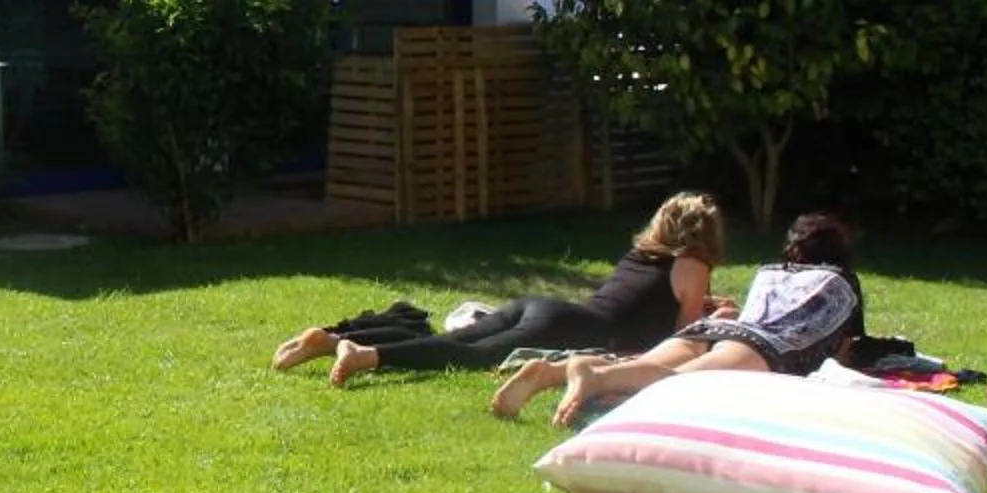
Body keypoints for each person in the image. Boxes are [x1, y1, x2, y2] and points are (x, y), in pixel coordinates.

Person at [270, 192, 729, 383]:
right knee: (470, 356)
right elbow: (686, 338)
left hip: (550, 308)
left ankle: (331, 341)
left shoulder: (644, 254)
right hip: (574, 329)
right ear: (704, 236)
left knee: (450, 340)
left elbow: (641, 301)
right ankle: (366, 356)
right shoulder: (694, 265)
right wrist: (717, 319)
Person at [492, 211, 866, 427]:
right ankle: (594, 375)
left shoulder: (770, 272)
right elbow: (851, 346)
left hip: (715, 328)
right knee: (676, 383)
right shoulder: (841, 283)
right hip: (761, 345)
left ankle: (556, 372)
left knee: (643, 366)